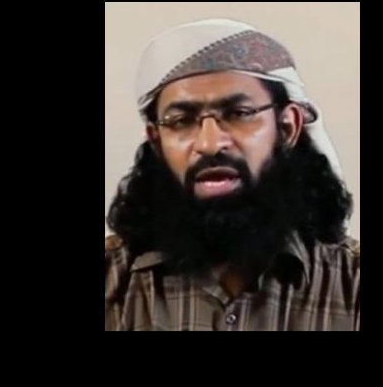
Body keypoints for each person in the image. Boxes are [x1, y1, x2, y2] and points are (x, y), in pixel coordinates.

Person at [105, 18, 359, 331]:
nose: (210, 144)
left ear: (286, 128)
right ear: (157, 142)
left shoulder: (351, 285)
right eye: (181, 120)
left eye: (238, 114)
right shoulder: (113, 281)